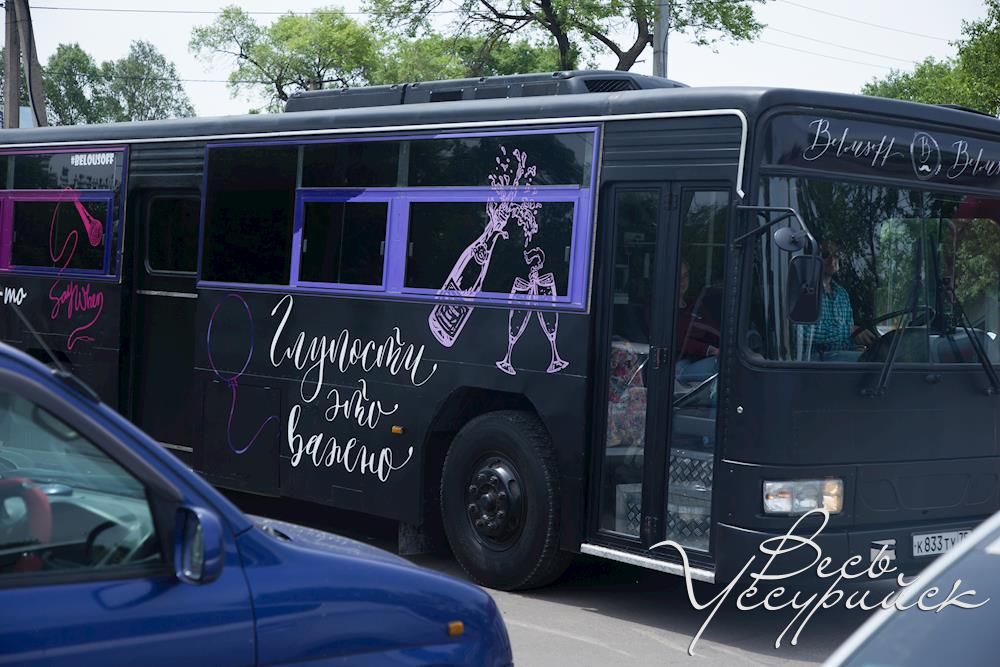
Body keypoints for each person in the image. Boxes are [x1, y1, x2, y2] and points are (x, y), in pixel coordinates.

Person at [801, 242, 876, 359]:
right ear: (813, 259)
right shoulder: (805, 291)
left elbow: (847, 338)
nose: (832, 259)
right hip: (812, 361)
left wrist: (856, 347)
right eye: (825, 255)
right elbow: (802, 333)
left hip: (839, 361)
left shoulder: (842, 294)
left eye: (836, 255)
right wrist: (848, 331)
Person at [675, 260, 721, 383]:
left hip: (700, 360)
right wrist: (710, 349)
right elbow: (677, 340)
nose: (682, 281)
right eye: (678, 276)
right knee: (723, 366)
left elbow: (714, 330)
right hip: (677, 365)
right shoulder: (660, 308)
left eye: (685, 276)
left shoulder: (695, 305)